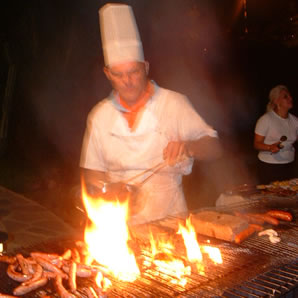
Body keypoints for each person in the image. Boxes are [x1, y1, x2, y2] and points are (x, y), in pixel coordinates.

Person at [80, 3, 222, 225]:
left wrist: (189, 146)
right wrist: (104, 189)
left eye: (134, 72)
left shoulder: (174, 104)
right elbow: (92, 173)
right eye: (118, 74)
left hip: (170, 222)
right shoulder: (99, 116)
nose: (127, 81)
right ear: (107, 74)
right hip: (119, 228)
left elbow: (215, 147)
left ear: (146, 67)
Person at [254, 85, 298, 184]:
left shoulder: (295, 121)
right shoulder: (266, 120)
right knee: (270, 197)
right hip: (269, 167)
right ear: (276, 101)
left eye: (290, 96)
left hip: (289, 165)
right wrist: (270, 147)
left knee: (288, 196)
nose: (290, 98)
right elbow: (257, 144)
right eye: (285, 97)